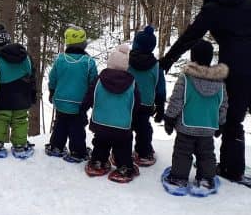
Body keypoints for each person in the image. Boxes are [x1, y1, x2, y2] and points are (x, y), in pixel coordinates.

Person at [159, 0, 251, 181]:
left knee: (233, 119)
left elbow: (191, 36)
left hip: (235, 69)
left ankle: (231, 168)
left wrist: (167, 60)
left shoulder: (213, 8)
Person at [162, 40, 228, 189]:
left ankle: (179, 177)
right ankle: (206, 178)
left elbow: (177, 100)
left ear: (193, 57)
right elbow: (222, 104)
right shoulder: (220, 83)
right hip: (208, 127)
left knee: (182, 152)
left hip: (186, 125)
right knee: (206, 154)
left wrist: (170, 118)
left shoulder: (186, 78)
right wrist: (221, 123)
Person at [84, 43, 142, 182]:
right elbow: (136, 103)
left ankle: (98, 161)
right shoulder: (132, 83)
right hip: (122, 125)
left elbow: (90, 96)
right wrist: (133, 119)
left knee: (100, 143)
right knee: (123, 146)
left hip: (100, 121)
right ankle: (125, 166)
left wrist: (84, 108)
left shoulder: (99, 79)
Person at [46, 24, 98, 161]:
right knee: (77, 128)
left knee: (60, 124)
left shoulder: (60, 59)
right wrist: (91, 100)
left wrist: (52, 91)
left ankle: (56, 146)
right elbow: (93, 82)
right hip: (79, 103)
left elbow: (53, 78)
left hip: (61, 101)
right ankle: (77, 151)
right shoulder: (88, 62)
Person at [0, 24, 37, 154]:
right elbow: (32, 78)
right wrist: (32, 94)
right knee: (20, 120)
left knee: (1, 118)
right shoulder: (25, 56)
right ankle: (20, 144)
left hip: (4, 98)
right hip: (23, 97)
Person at [126, 25, 166, 166]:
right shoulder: (157, 66)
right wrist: (160, 107)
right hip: (146, 104)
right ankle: (144, 153)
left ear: (135, 43)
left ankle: (122, 152)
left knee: (126, 128)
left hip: (127, 102)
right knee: (144, 129)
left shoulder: (126, 61)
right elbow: (160, 89)